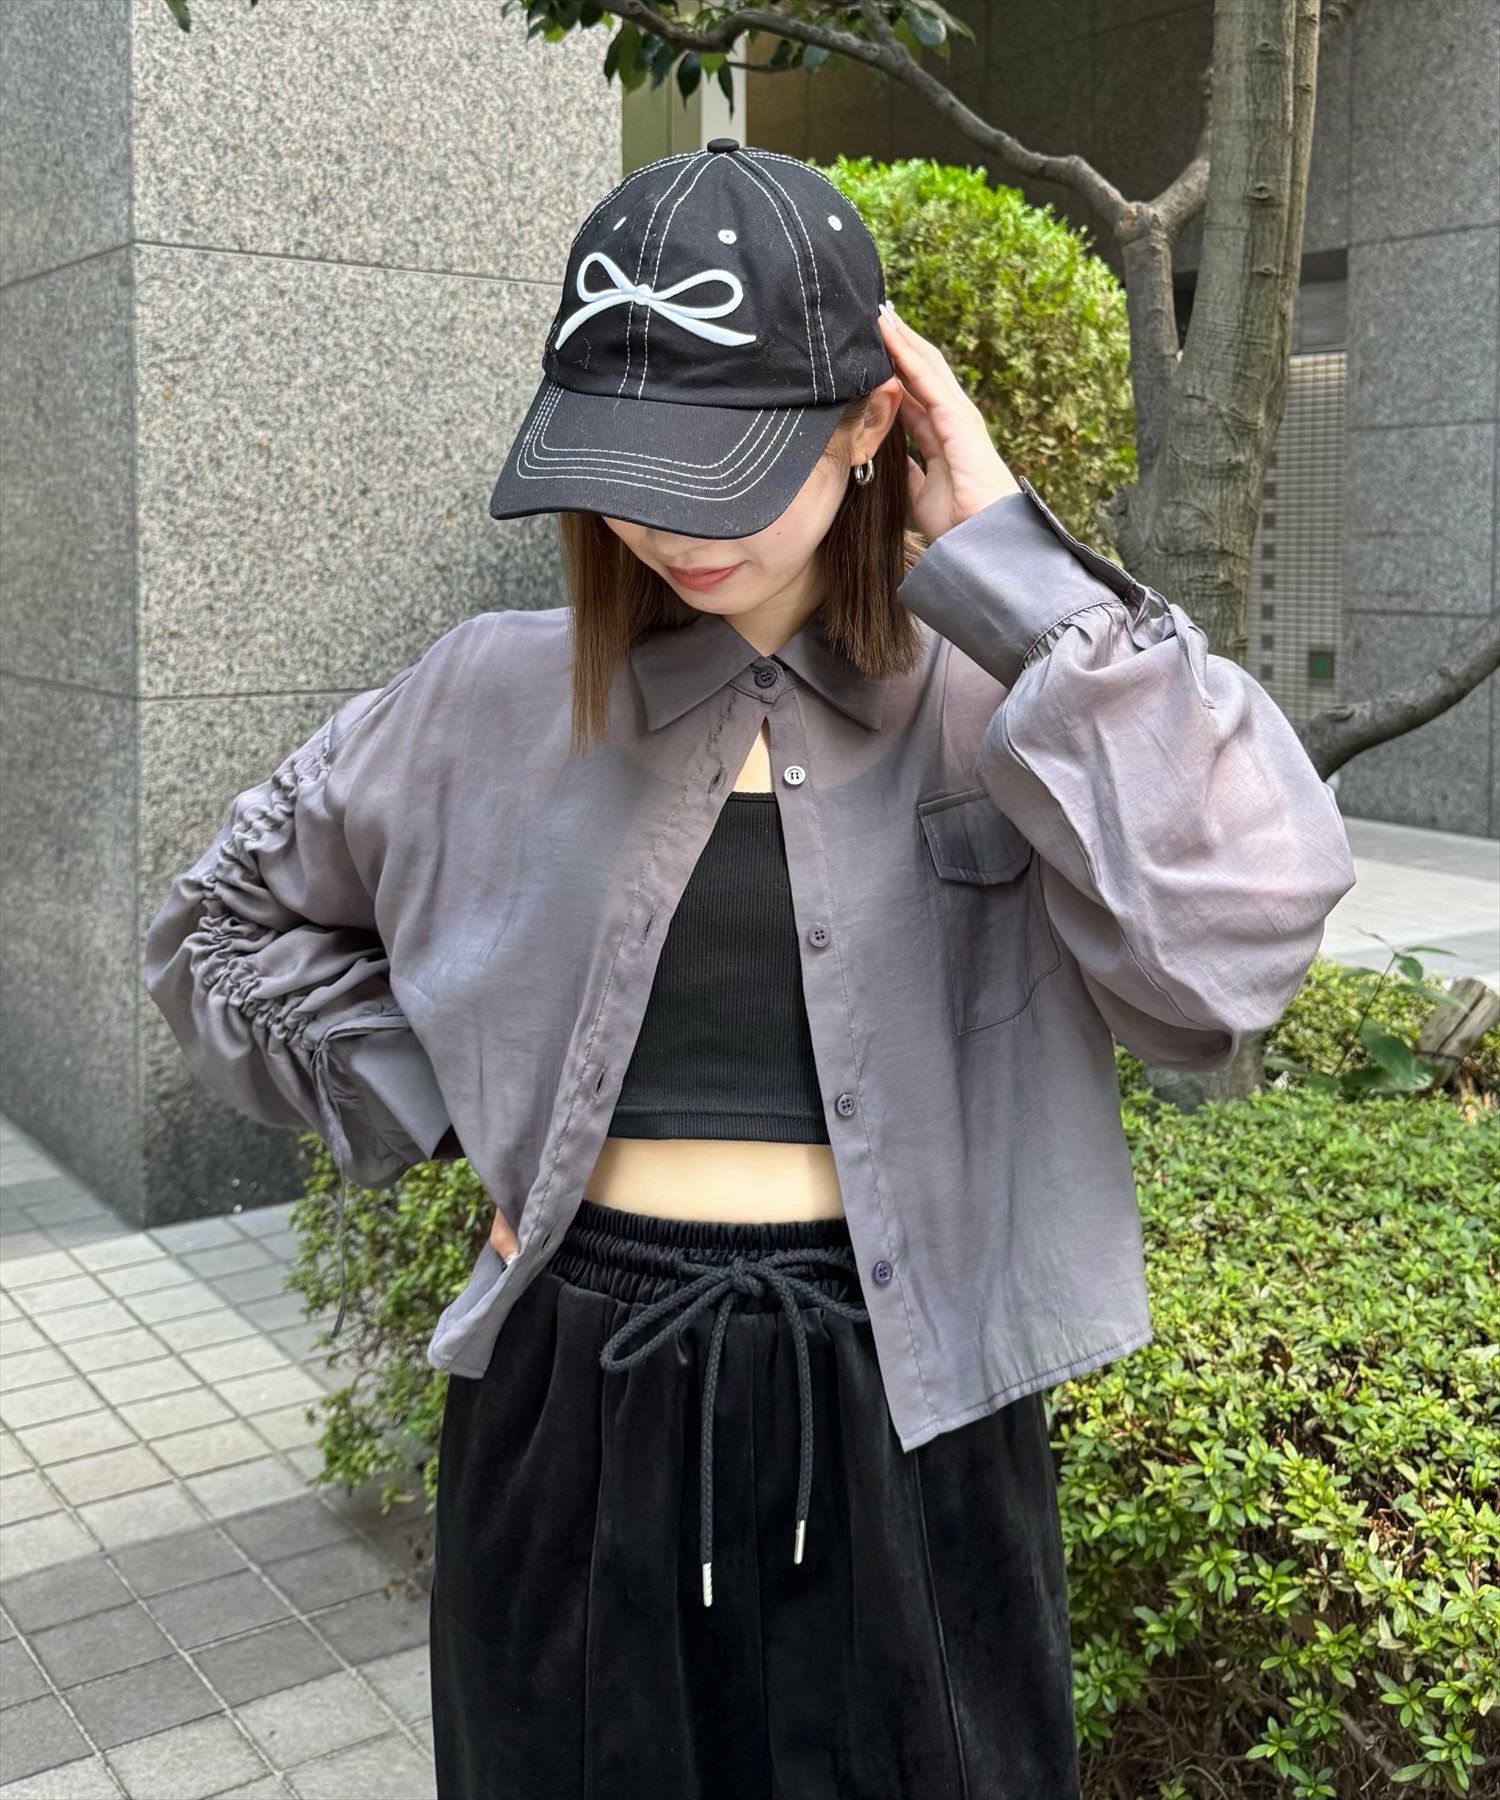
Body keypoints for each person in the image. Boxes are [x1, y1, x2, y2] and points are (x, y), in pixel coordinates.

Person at [143, 142, 1357, 1799]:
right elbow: (218, 924)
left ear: (871, 422)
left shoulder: (1008, 701)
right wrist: (445, 1098)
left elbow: (1239, 951)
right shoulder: (487, 695)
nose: (661, 523)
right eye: (623, 464)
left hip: (912, 1410)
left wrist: (1020, 573)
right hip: (570, 1397)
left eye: (721, 466)